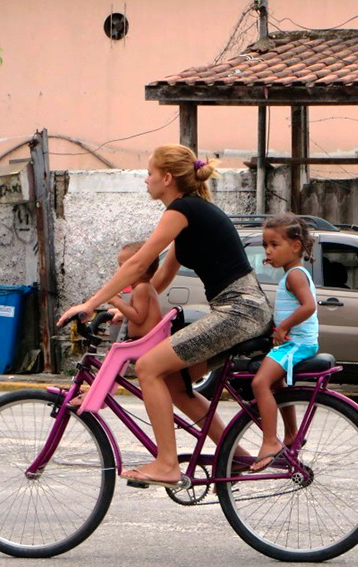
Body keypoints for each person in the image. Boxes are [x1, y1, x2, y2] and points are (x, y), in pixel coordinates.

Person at [57, 144, 273, 488]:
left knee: (147, 367)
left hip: (239, 310)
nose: (146, 180)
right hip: (242, 310)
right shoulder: (191, 213)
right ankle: (238, 456)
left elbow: (139, 263)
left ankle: (167, 464)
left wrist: (90, 302)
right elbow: (158, 279)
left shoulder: (182, 209)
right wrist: (117, 308)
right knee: (175, 383)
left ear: (167, 178)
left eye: (150, 173)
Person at [250, 214, 319, 471]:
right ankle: (291, 434)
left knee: (260, 382)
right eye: (265, 245)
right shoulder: (292, 274)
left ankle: (270, 441)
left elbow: (309, 306)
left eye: (274, 245)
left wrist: (284, 327)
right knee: (276, 383)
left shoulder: (295, 276)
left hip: (297, 344)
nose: (268, 251)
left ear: (295, 246)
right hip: (297, 343)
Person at [70, 241, 161, 406]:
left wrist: (116, 302)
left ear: (141, 267)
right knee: (115, 354)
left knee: (114, 354)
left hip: (146, 342)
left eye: (124, 266)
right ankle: (101, 392)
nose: (120, 272)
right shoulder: (143, 287)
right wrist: (120, 314)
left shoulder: (142, 288)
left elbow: (139, 317)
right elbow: (140, 314)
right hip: (144, 340)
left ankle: (98, 394)